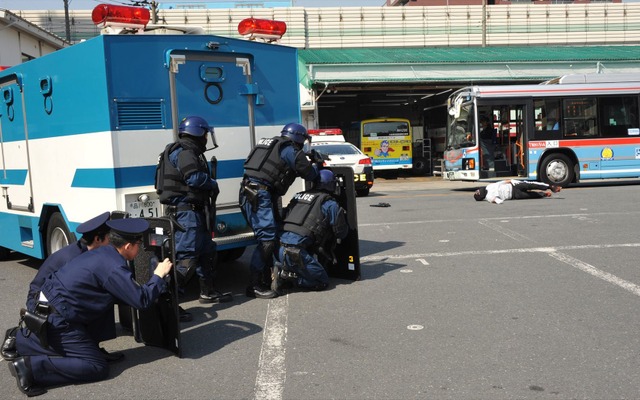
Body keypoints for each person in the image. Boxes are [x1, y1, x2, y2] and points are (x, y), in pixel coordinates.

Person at [8, 218, 173, 397]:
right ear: (127, 246)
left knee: (103, 306)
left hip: (52, 309)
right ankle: (31, 368)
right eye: (139, 244)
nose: (139, 248)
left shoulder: (100, 254)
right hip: (60, 319)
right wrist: (158, 275)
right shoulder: (113, 266)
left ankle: (20, 340)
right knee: (96, 367)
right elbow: (141, 300)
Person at [2, 212, 117, 363]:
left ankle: (92, 344)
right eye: (109, 239)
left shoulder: (84, 251)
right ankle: (17, 336)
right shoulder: (75, 258)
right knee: (95, 299)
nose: (112, 243)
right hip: (41, 301)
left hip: (56, 295)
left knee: (104, 298)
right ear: (97, 239)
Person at [156, 115, 231, 322]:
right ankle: (167, 302)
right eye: (205, 133)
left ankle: (208, 292)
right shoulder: (186, 152)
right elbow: (194, 178)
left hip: (194, 212)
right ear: (199, 133)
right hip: (186, 213)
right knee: (186, 260)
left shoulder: (185, 150)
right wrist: (212, 182)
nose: (207, 138)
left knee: (207, 251)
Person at [240, 122, 320, 299]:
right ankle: (254, 285)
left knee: (269, 235)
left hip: (248, 193)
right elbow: (309, 174)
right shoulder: (290, 150)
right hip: (261, 195)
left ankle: (267, 276)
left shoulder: (272, 144)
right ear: (299, 138)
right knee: (267, 239)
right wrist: (317, 164)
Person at [273, 169, 349, 294]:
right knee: (322, 281)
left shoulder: (298, 195)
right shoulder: (329, 203)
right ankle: (288, 276)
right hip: (295, 252)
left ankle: (285, 270)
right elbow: (340, 231)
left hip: (277, 248)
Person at [474, 179, 561, 204]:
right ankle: (543, 194)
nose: (480, 190)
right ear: (481, 197)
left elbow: (502, 182)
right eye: (479, 192)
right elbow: (499, 201)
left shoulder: (489, 187)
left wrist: (512, 180)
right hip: (515, 194)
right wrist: (495, 200)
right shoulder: (488, 197)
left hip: (514, 186)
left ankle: (550, 186)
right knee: (530, 195)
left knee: (532, 185)